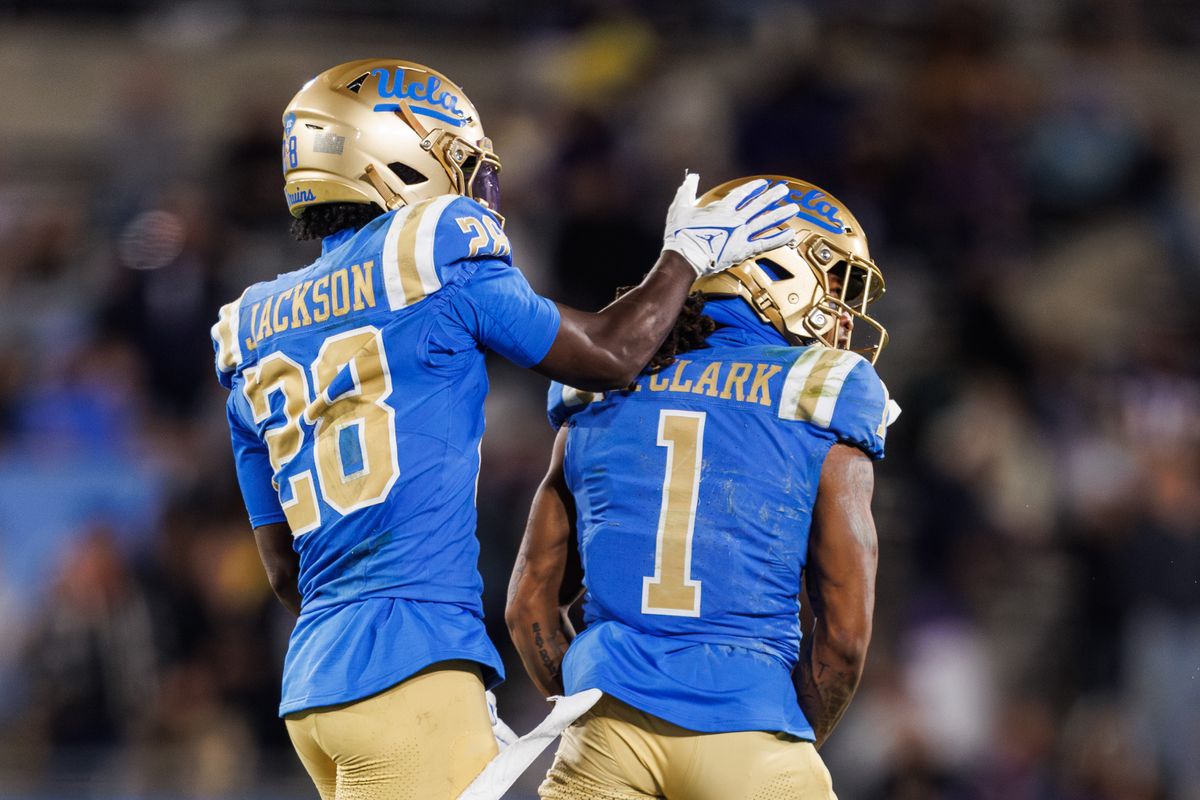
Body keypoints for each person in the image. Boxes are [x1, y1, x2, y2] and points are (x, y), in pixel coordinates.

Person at [209, 60, 798, 800]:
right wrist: (685, 255)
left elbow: (284, 571)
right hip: (409, 667)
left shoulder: (248, 327)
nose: (473, 182)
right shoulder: (429, 245)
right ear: (394, 157)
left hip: (316, 686)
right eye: (456, 158)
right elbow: (611, 357)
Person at [506, 175, 899, 799]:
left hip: (606, 732)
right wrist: (777, 730)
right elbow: (844, 639)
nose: (843, 311)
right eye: (835, 283)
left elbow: (529, 605)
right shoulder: (821, 390)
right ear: (778, 271)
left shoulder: (595, 387)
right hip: (748, 730)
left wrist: (597, 703)